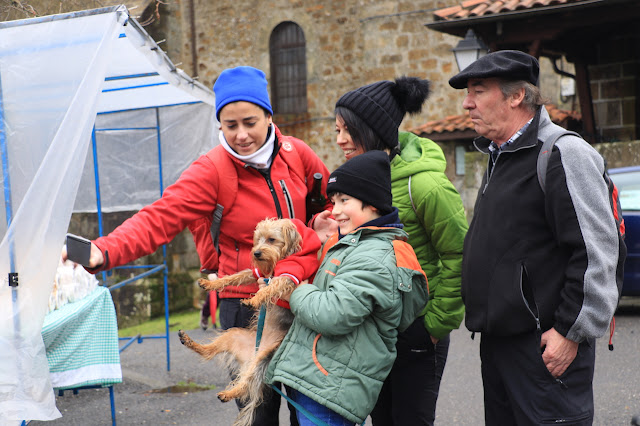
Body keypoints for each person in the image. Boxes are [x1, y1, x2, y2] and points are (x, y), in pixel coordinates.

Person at [62, 65, 335, 426]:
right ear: (219, 124)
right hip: (246, 305)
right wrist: (103, 250)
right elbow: (160, 217)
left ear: (269, 116)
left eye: (250, 122)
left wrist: (325, 222)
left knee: (309, 406)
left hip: (302, 300)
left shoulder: (296, 154)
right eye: (230, 124)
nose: (241, 135)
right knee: (259, 411)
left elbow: (335, 199)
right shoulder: (212, 170)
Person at [449, 50, 624, 424]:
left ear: (516, 96)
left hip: (545, 349)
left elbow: (596, 252)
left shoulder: (562, 153)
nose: (467, 103)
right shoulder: (500, 155)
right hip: (499, 347)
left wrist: (569, 332)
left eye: (478, 90)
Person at [334, 77, 468, 425]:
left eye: (348, 130)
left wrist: (434, 325)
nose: (340, 140)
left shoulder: (424, 185)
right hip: (373, 333)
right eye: (337, 130)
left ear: (374, 129)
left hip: (419, 331)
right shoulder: (352, 181)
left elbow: (460, 255)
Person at [264, 150, 429, 426]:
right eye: (333, 201)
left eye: (344, 201)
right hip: (321, 379)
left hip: (331, 388)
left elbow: (332, 314)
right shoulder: (354, 244)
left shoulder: (374, 257)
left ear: (373, 204)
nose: (334, 210)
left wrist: (295, 290)